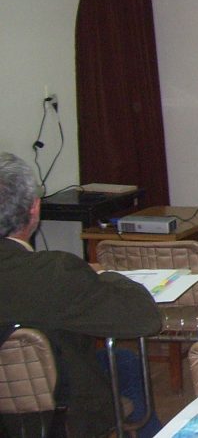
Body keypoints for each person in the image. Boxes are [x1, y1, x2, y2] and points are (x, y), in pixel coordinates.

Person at [0, 152, 163, 438]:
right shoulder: (54, 274)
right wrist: (106, 275)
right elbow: (145, 319)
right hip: (59, 416)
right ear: (34, 208)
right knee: (123, 362)